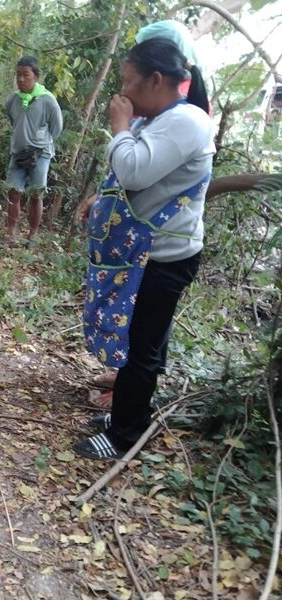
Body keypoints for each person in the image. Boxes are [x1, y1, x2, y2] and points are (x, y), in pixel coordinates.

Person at [73, 37, 214, 460]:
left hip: (164, 259)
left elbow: (134, 170)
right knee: (136, 342)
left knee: (142, 347)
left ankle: (125, 435)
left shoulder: (187, 121)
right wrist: (103, 199)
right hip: (143, 255)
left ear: (156, 79)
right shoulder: (158, 119)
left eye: (129, 81)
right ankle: (126, 413)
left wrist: (120, 125)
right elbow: (142, 173)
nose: (124, 91)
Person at [3, 56, 63, 245]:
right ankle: (10, 235)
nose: (21, 79)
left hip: (41, 153)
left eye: (25, 75)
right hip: (18, 152)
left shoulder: (48, 100)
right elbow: (14, 121)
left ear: (36, 76)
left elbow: (57, 128)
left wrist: (40, 140)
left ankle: (32, 235)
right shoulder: (13, 99)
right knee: (13, 192)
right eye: (18, 75)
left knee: (36, 194)